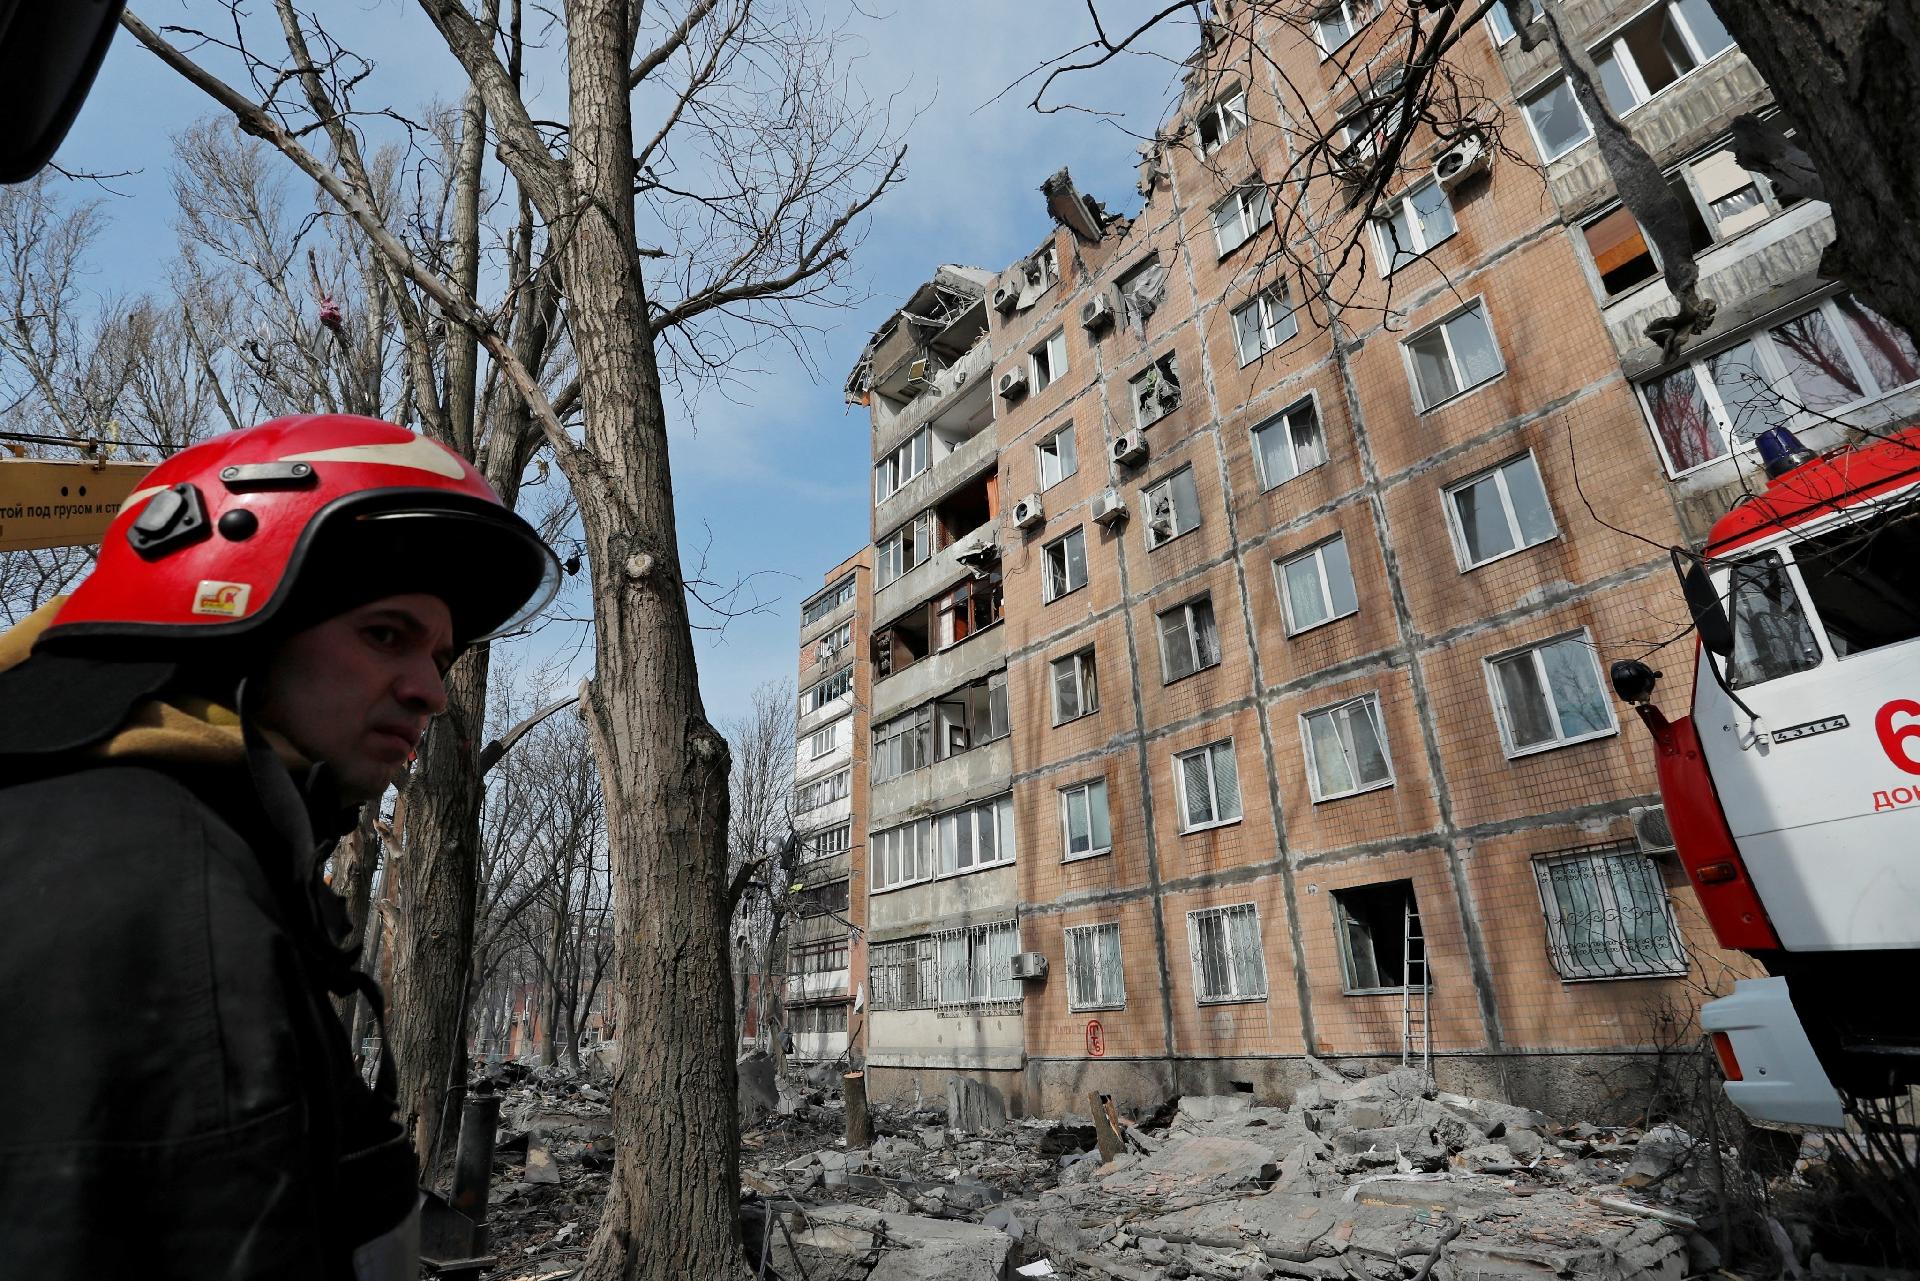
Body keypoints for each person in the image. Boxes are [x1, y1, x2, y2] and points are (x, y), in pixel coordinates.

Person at [0, 414, 559, 1279]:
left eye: (440, 655)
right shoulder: (164, 895)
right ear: (233, 621)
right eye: (386, 634)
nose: (430, 693)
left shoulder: (130, 831)